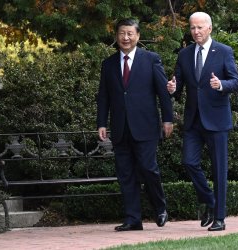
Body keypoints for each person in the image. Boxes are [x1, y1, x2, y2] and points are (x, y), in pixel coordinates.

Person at [97, 18, 173, 231]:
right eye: (122, 33)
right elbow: (104, 96)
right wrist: (101, 122)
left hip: (146, 126)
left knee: (149, 168)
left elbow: (163, 92)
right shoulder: (108, 64)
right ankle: (133, 219)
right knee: (126, 174)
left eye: (130, 33)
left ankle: (160, 208)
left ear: (138, 36)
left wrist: (168, 119)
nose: (126, 38)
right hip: (120, 128)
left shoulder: (151, 59)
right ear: (116, 36)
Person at [167, 12, 238, 231]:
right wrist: (172, 88)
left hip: (217, 119)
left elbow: (235, 81)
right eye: (192, 28)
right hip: (193, 120)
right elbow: (178, 84)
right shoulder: (184, 54)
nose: (196, 32)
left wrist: (221, 85)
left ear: (209, 28)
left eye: (200, 27)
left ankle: (219, 218)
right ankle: (209, 200)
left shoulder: (224, 51)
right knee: (189, 162)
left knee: (219, 170)